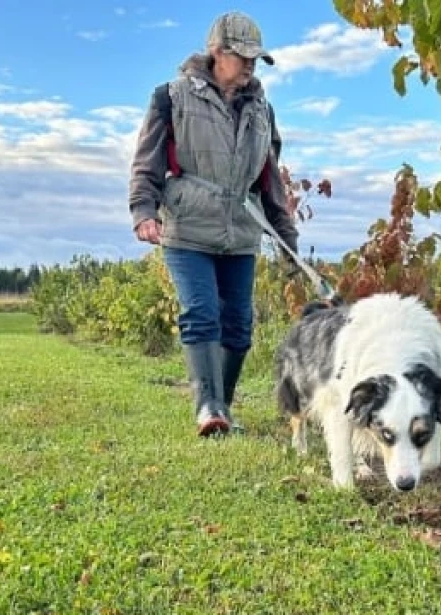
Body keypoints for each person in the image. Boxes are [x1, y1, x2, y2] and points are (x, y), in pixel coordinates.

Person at [129, 10, 299, 437]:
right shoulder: (171, 97)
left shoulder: (262, 109)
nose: (250, 66)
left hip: (241, 230)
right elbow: (146, 160)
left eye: (255, 59)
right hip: (187, 226)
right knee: (201, 313)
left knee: (239, 326)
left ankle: (221, 407)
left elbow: (270, 178)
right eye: (242, 56)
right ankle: (208, 407)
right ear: (216, 52)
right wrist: (143, 211)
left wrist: (287, 238)